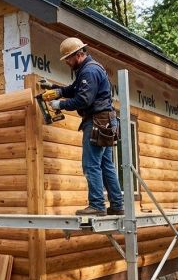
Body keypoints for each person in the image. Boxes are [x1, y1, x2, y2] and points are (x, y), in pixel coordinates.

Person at [48, 37, 124, 216]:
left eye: (68, 58)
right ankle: (117, 205)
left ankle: (97, 205)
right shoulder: (89, 68)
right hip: (106, 120)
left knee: (91, 165)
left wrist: (60, 104)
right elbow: (75, 89)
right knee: (106, 164)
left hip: (97, 121)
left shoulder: (88, 71)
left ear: (79, 54)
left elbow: (83, 99)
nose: (67, 62)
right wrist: (57, 90)